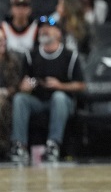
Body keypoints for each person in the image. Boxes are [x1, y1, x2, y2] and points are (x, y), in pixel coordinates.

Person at [9, 16, 85, 164]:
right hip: (38, 100)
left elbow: (81, 85)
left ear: (58, 33)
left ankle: (53, 145)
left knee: (59, 97)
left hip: (62, 102)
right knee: (20, 99)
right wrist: (25, 86)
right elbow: (22, 83)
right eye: (42, 27)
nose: (44, 30)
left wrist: (60, 86)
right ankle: (19, 145)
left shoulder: (69, 56)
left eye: (49, 27)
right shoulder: (31, 55)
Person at [0, 27, 22, 157]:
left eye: (3, 40)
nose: (2, 43)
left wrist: (6, 92)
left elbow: (17, 85)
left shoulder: (12, 60)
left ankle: (4, 146)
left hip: (8, 99)